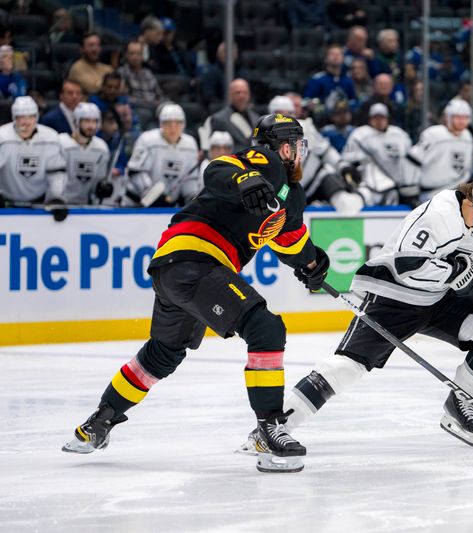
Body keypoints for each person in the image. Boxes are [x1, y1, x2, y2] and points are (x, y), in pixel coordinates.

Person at [240, 168, 473, 452]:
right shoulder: (440, 214)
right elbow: (407, 264)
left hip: (443, 299)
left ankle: (459, 402)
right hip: (396, 295)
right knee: (349, 367)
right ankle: (273, 429)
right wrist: (454, 272)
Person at [63, 113, 330, 474]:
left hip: (176, 269)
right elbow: (218, 169)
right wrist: (247, 178)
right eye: (298, 146)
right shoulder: (264, 162)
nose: (301, 154)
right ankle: (269, 429)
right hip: (196, 260)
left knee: (163, 354)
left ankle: (98, 422)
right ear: (285, 148)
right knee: (266, 329)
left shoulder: (291, 195)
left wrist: (313, 265)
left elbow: (291, 243)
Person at [269, 95, 363, 214]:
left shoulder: (305, 128)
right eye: (278, 113)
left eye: (287, 113)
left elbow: (325, 150)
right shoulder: (263, 134)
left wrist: (342, 165)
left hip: (312, 181)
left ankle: (342, 201)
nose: (283, 117)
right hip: (283, 187)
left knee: (327, 171)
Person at [0, 96, 67, 220]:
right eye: (21, 117)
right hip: (6, 202)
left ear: (36, 117)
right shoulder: (2, 137)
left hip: (40, 201)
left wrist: (56, 197)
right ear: (14, 118)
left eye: (30, 117)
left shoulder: (50, 138)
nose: (26, 122)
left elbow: (56, 173)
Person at [123, 103, 200, 207]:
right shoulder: (147, 140)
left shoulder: (190, 145)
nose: (173, 129)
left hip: (170, 205)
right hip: (136, 203)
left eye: (177, 124)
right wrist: (150, 193)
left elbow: (190, 178)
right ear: (161, 124)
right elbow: (135, 171)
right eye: (168, 124)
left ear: (183, 125)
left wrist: (191, 199)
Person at [339, 102, 413, 206]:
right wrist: (348, 170)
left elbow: (409, 161)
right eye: (375, 117)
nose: (379, 121)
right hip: (366, 186)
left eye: (382, 117)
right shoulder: (359, 135)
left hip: (393, 187)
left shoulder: (400, 135)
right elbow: (345, 160)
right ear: (370, 119)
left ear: (387, 118)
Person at [407, 99, 473, 201]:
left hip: (456, 194)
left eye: (465, 117)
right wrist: (410, 191)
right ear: (448, 117)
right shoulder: (433, 134)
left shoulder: (468, 137)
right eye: (457, 117)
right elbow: (413, 161)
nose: (461, 121)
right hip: (430, 194)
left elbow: (466, 169)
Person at [57, 102, 112, 205]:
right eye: (86, 121)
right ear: (76, 122)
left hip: (86, 206)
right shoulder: (60, 143)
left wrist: (101, 188)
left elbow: (99, 181)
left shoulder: (101, 148)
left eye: (94, 121)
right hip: (60, 205)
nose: (91, 126)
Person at [201, 79, 259, 153]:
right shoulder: (219, 120)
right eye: (238, 93)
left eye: (245, 92)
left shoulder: (256, 118)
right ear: (230, 95)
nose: (242, 96)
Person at [118, 40, 164, 108]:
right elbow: (123, 98)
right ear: (126, 55)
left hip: (153, 107)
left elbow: (159, 95)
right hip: (136, 109)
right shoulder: (121, 73)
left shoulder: (148, 73)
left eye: (138, 53)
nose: (135, 57)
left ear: (142, 55)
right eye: (131, 53)